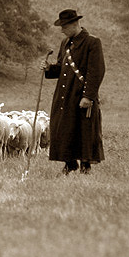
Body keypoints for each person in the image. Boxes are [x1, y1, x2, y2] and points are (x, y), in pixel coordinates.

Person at [40, 9, 105, 175]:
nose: (62, 30)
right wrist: (50, 68)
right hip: (65, 94)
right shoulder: (65, 43)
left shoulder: (92, 42)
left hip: (81, 94)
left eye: (64, 26)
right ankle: (70, 163)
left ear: (75, 24)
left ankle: (85, 165)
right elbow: (62, 68)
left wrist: (88, 96)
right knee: (63, 128)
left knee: (84, 130)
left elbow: (96, 72)